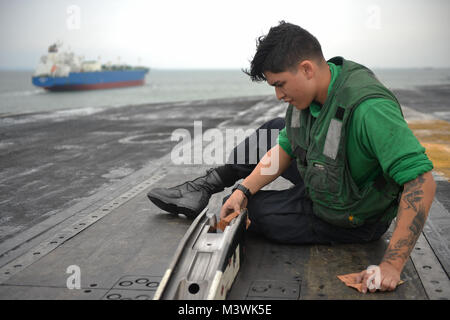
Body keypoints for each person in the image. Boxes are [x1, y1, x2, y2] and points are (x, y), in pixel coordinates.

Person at [147, 21, 436, 293]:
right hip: (328, 176)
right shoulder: (310, 95)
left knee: (255, 213)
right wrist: (243, 190)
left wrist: (391, 265)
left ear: (307, 69)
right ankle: (205, 186)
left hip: (353, 213)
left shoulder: (369, 108)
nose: (278, 95)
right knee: (271, 134)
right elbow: (284, 148)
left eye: (280, 84)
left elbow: (421, 181)